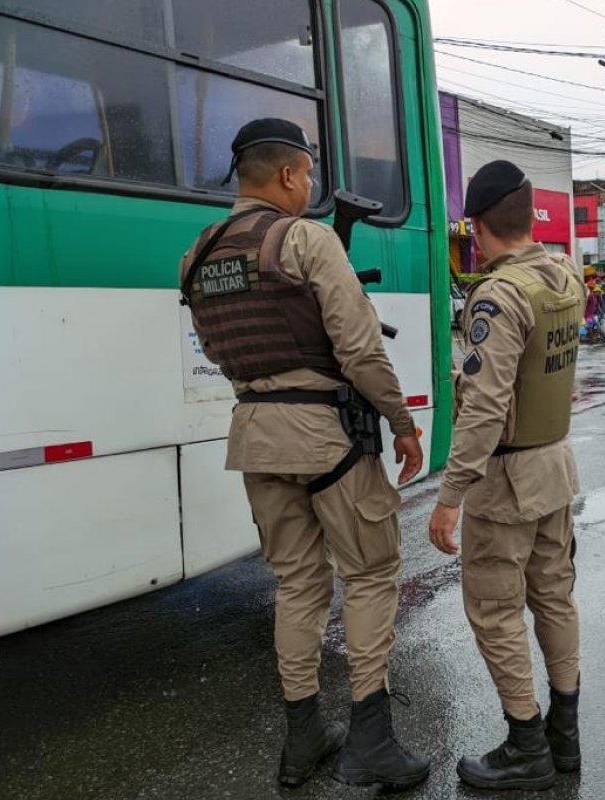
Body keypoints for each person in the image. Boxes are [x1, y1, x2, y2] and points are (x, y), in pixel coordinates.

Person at [179, 119, 428, 791]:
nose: (310, 187)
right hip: (328, 436)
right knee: (373, 573)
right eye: (308, 176)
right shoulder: (307, 240)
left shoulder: (198, 256)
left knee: (297, 583)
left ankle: (302, 738)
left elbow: (221, 352)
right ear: (289, 175)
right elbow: (359, 349)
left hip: (255, 435)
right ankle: (371, 740)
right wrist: (402, 422)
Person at [427, 160, 585, 792]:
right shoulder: (564, 276)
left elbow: (486, 408)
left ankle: (526, 745)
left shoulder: (498, 294)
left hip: (506, 479)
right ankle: (564, 736)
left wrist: (448, 497)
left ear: (477, 225)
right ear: (528, 216)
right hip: (555, 467)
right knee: (554, 595)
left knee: (495, 611)